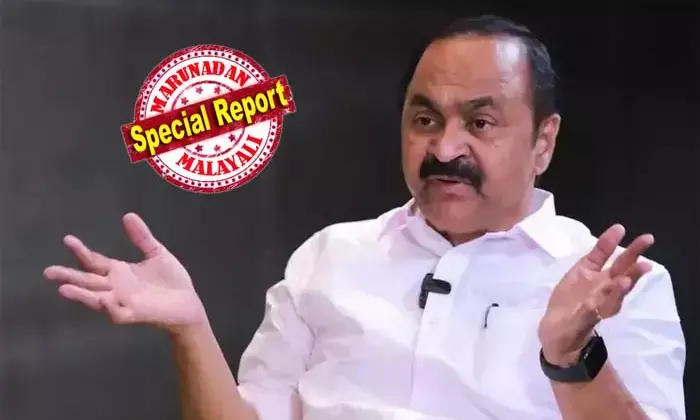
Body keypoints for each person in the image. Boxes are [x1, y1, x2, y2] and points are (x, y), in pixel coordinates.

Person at [43, 15, 685, 420]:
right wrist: (191, 329)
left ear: (543, 142)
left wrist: (572, 357)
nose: (445, 148)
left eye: (481, 122)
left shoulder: (620, 288)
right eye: (425, 118)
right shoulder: (331, 257)